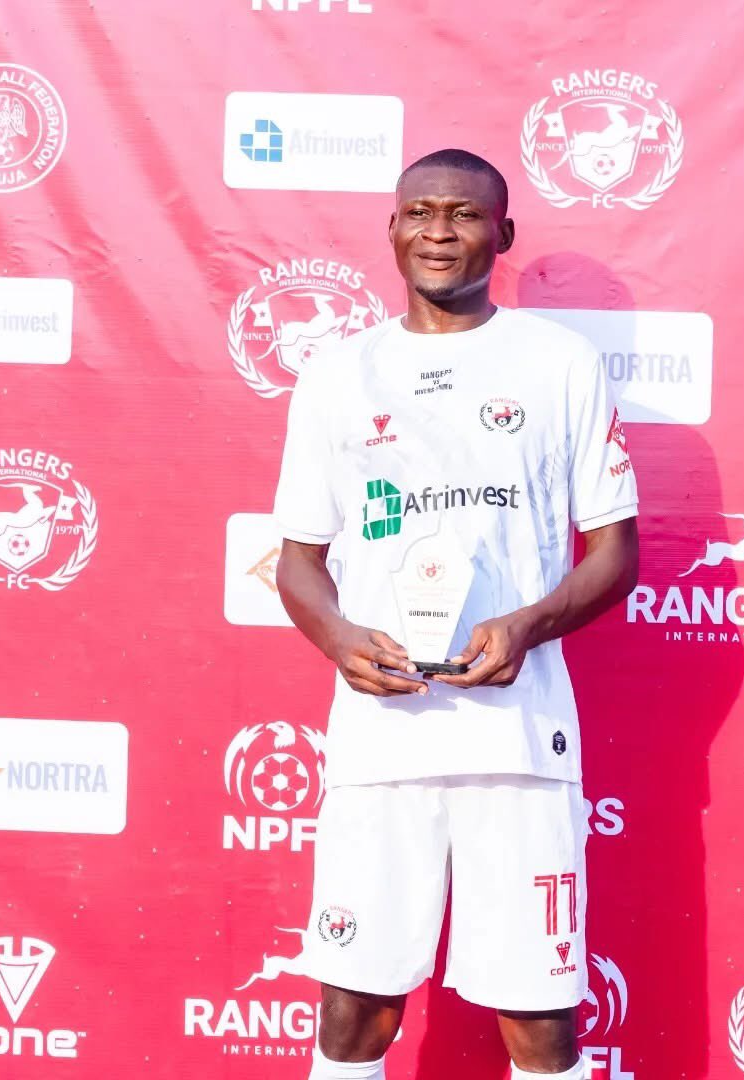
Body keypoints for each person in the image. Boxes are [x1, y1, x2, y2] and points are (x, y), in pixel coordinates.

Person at [273, 148, 640, 1080]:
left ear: (503, 234)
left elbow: (616, 555)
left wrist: (527, 626)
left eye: (466, 215)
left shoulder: (558, 363)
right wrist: (341, 640)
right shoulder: (337, 374)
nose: (440, 231)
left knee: (540, 1019)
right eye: (422, 212)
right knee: (353, 1011)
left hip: (515, 743)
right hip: (381, 739)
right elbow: (299, 562)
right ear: (393, 229)